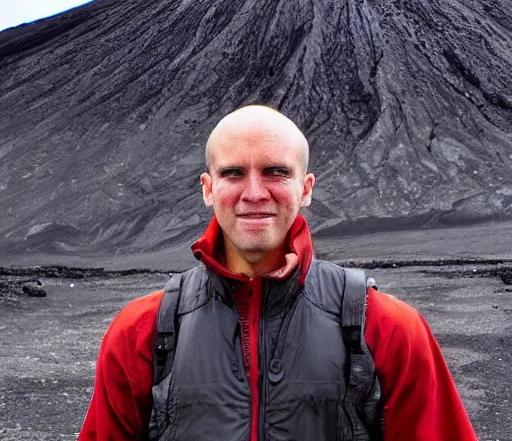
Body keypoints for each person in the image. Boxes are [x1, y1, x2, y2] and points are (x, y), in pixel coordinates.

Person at [78, 105, 477, 440]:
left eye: (276, 172)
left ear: (305, 189)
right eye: (233, 172)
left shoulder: (388, 329)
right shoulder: (140, 333)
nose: (254, 193)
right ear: (207, 188)